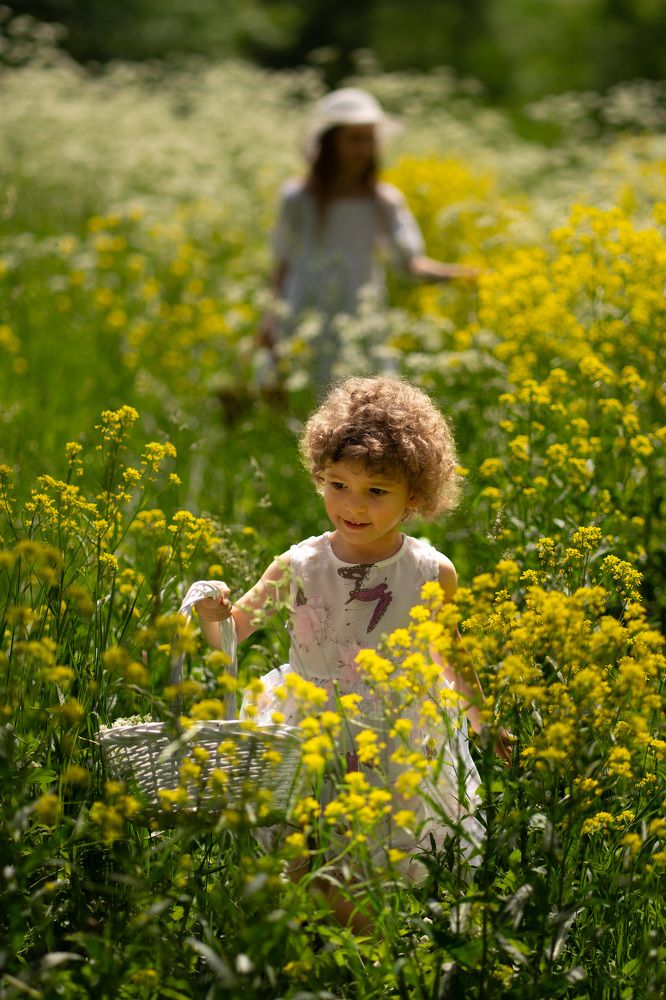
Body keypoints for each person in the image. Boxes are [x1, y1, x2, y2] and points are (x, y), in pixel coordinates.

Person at [194, 375, 511, 931]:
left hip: (394, 728)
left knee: (375, 857)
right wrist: (212, 612)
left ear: (415, 497)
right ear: (319, 476)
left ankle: (362, 958)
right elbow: (232, 635)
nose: (353, 506)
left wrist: (484, 722)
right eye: (338, 485)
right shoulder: (300, 564)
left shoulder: (431, 572)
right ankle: (305, 952)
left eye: (376, 492)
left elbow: (448, 654)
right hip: (310, 723)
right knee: (305, 852)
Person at [258, 88, 481, 388]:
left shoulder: (384, 201)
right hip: (303, 310)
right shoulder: (298, 198)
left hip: (360, 317)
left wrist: (465, 276)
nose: (364, 149)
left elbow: (411, 264)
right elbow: (283, 262)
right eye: (354, 140)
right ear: (330, 144)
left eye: (369, 140)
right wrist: (271, 319)